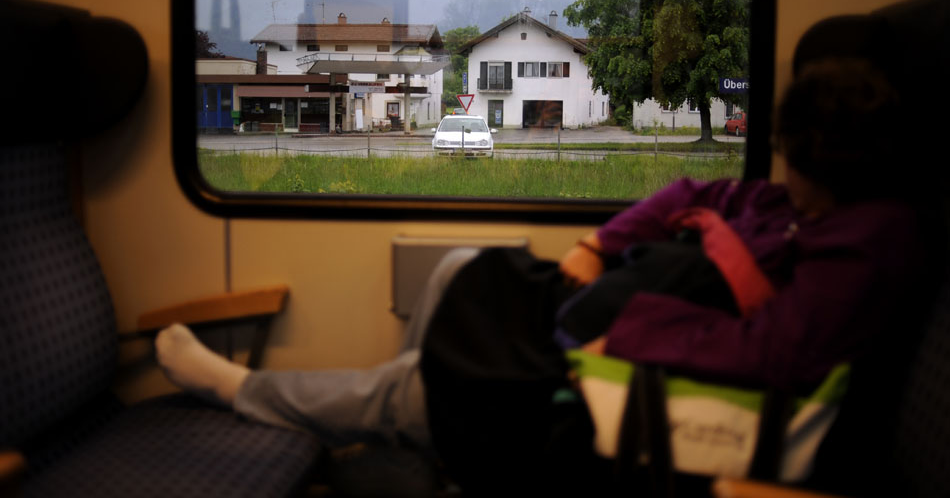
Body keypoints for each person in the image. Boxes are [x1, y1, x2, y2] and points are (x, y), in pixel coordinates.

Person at [156, 57, 922, 492]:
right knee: (464, 267)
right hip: (624, 313)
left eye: (795, 159)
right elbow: (696, 194)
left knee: (424, 388)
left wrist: (624, 327)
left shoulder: (867, 242)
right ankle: (427, 457)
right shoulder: (794, 205)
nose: (782, 173)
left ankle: (241, 390)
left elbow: (773, 356)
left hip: (670, 381)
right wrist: (598, 246)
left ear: (831, 160)